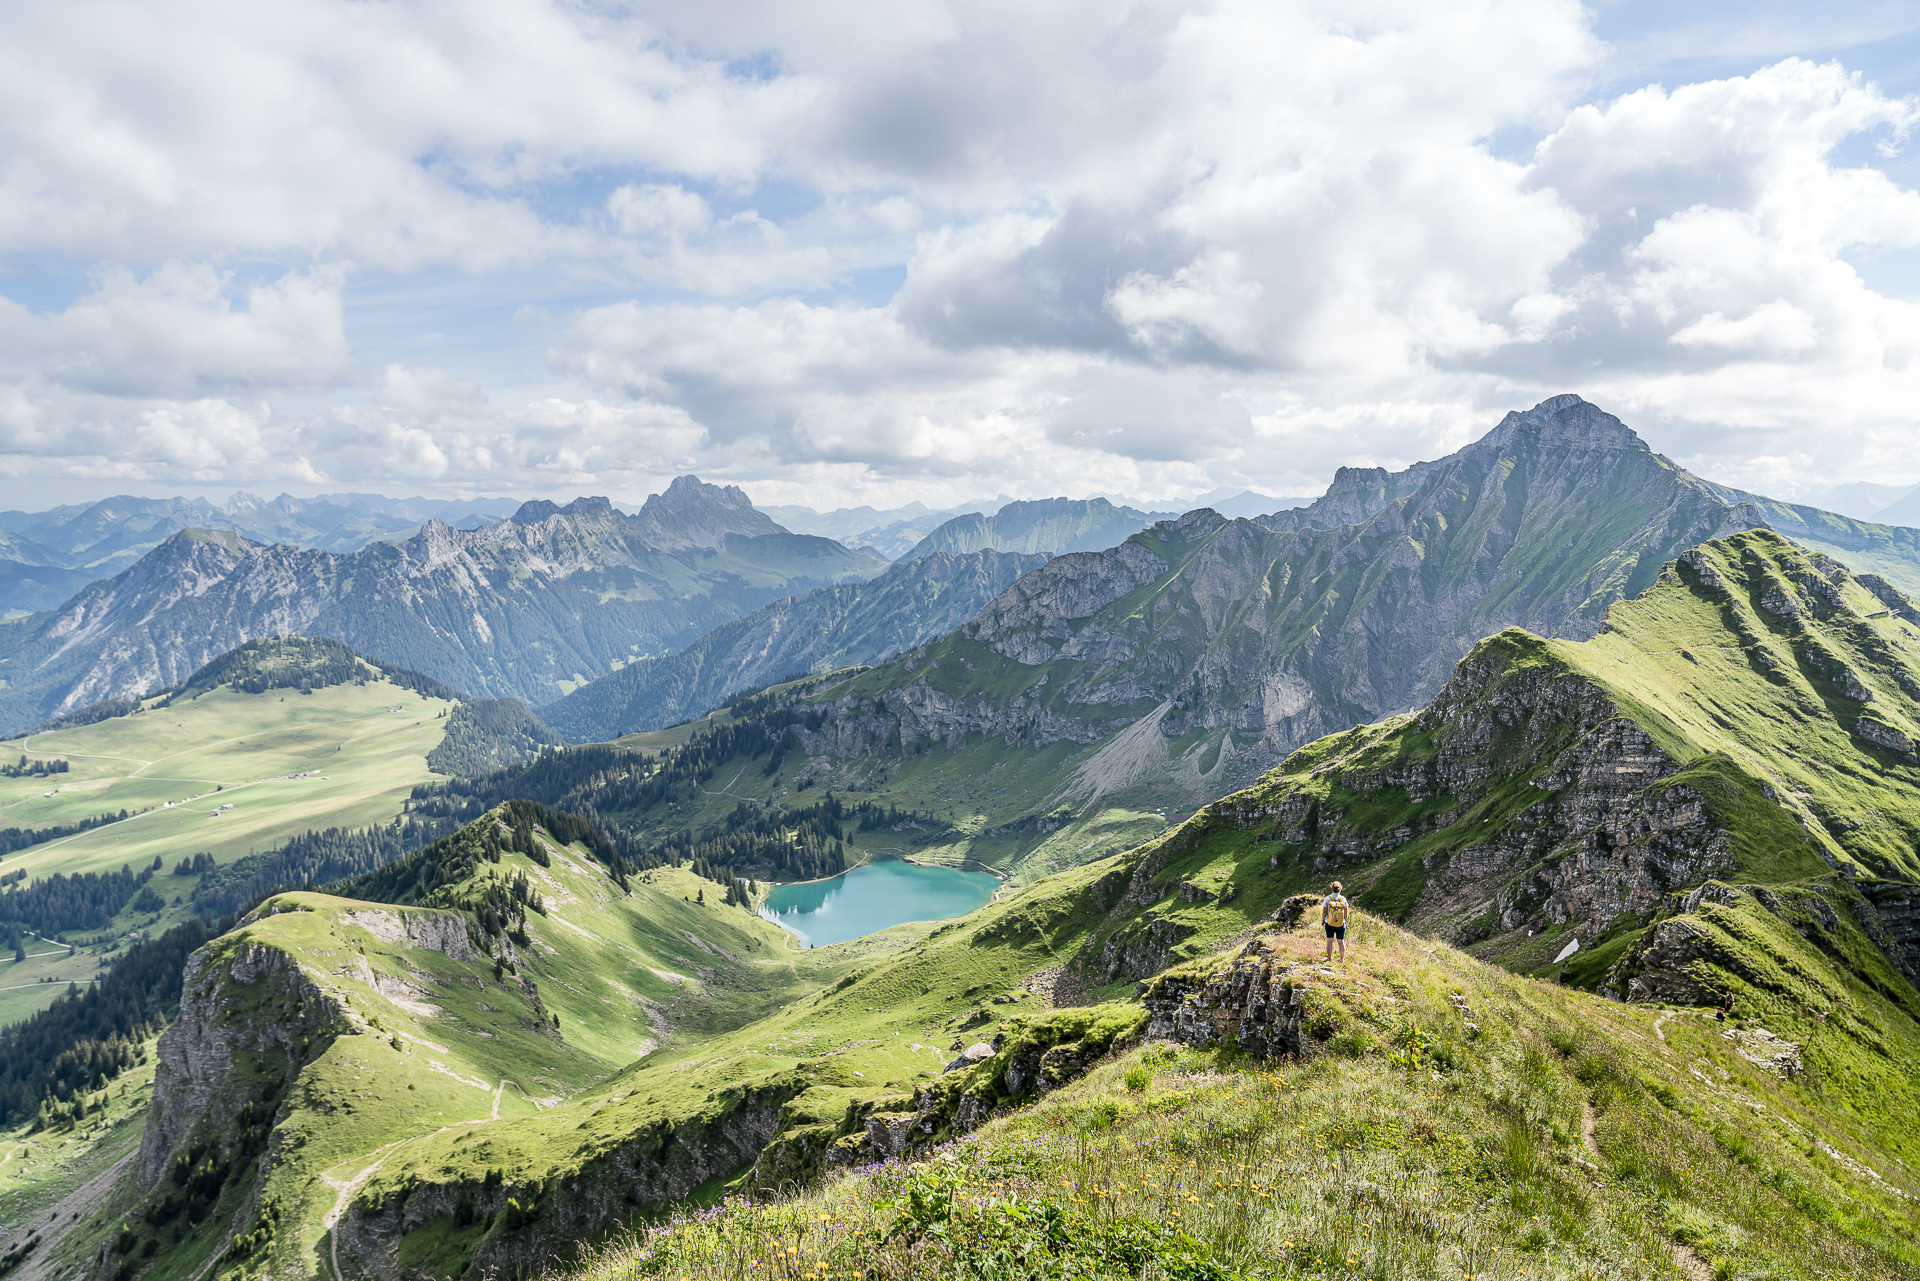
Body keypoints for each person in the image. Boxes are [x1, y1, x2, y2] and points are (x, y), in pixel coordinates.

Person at [1321, 882, 1351, 963]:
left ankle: (1329, 958)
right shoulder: (1343, 899)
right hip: (1341, 923)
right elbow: (1346, 912)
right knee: (1341, 941)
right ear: (1340, 889)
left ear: (1332, 888)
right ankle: (1342, 959)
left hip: (1329, 923)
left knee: (1329, 941)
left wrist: (1323, 920)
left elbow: (1324, 911)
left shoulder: (1328, 898)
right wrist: (1346, 921)